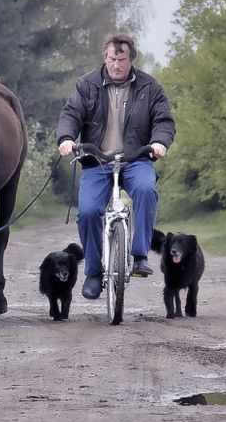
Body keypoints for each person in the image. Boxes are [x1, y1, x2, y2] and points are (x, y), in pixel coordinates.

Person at [56, 34, 176, 300]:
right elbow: (71, 114)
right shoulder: (86, 85)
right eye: (112, 59)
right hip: (97, 161)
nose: (117, 65)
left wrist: (159, 142)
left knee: (146, 190)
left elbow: (163, 120)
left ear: (131, 60)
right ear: (105, 58)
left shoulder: (150, 87)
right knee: (87, 212)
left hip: (136, 159)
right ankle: (94, 272)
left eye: (122, 59)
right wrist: (66, 139)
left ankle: (140, 254)